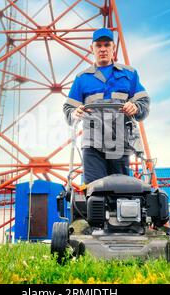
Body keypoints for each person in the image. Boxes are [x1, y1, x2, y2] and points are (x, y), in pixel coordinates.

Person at [63, 28, 150, 185]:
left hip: (120, 144)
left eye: (107, 45)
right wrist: (75, 112)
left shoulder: (129, 75)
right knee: (94, 192)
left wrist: (135, 107)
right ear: (92, 48)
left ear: (113, 48)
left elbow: (144, 104)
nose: (103, 49)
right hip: (92, 145)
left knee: (122, 191)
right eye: (98, 46)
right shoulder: (82, 79)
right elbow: (68, 109)